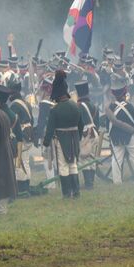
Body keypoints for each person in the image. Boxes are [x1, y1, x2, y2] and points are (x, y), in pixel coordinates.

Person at [43, 70, 84, 198]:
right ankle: (76, 191)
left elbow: (50, 130)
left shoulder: (55, 110)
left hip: (61, 139)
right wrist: (78, 137)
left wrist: (45, 143)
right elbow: (81, 125)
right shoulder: (75, 106)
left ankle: (67, 193)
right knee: (73, 164)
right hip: (74, 138)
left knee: (63, 166)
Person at [106, 74, 134, 185]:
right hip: (130, 136)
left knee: (116, 160)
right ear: (124, 92)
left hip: (115, 136)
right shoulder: (129, 106)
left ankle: (117, 181)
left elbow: (107, 124)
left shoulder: (110, 107)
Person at [75, 81, 100, 189]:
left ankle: (88, 183)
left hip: (85, 135)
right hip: (94, 133)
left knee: (84, 158)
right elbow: (97, 123)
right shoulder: (93, 106)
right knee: (92, 158)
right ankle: (91, 183)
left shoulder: (79, 106)